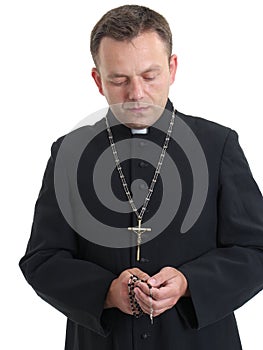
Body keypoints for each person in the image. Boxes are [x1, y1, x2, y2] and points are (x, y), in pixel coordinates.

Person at [19, 4, 263, 350]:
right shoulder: (69, 154)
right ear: (98, 80)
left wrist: (188, 282)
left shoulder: (217, 145)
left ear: (172, 68)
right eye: (119, 79)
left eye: (150, 76)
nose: (136, 94)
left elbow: (256, 250)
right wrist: (105, 291)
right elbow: (42, 260)